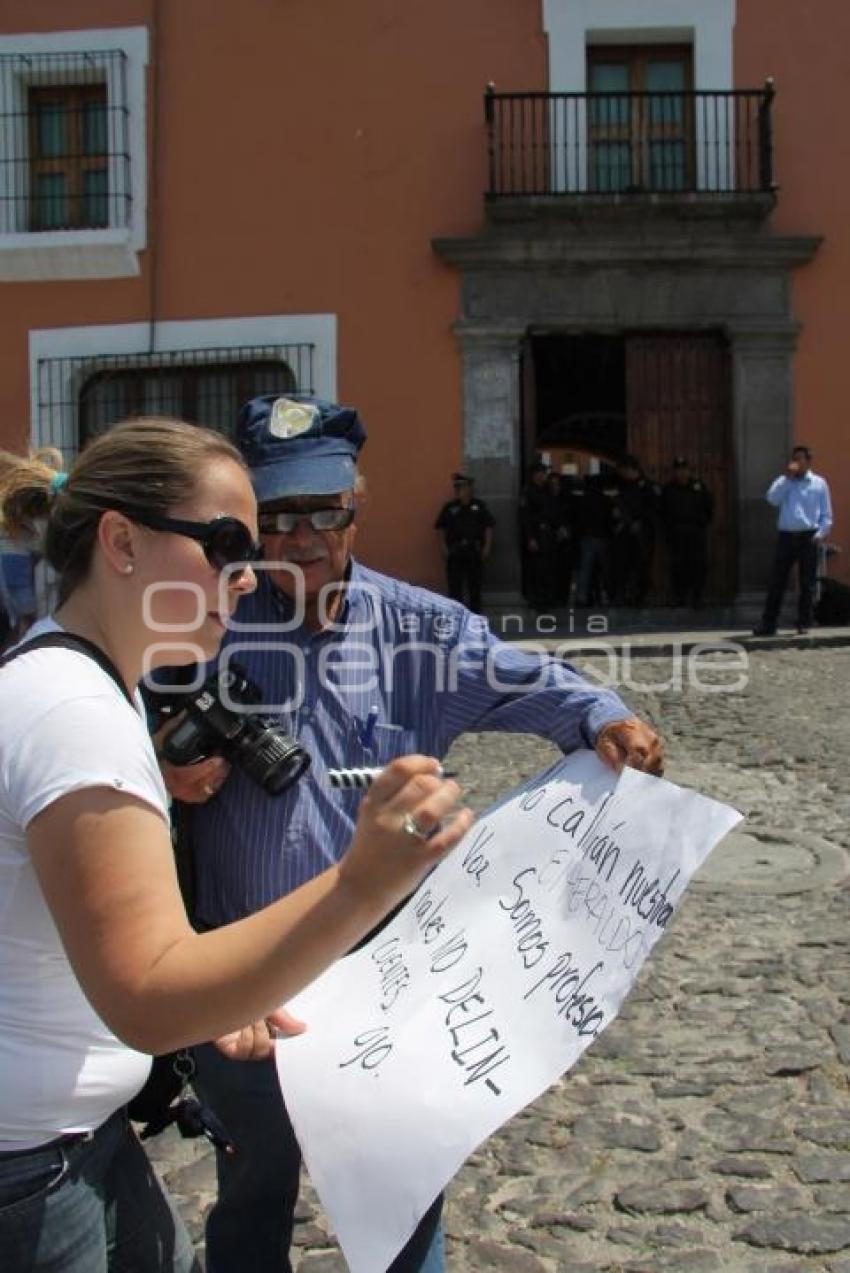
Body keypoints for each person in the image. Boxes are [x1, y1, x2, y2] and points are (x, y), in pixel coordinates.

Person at [160, 393, 665, 1273]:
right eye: (276, 517)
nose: (302, 536)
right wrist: (164, 770)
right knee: (249, 1198)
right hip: (244, 985)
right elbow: (111, 748)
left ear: (355, 508)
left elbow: (539, 684)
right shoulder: (199, 626)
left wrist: (605, 717)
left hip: (388, 990)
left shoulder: (423, 629)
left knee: (404, 1208)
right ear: (245, 527)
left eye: (324, 511)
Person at [0, 418, 473, 1273]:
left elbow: (105, 940)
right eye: (225, 545)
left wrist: (222, 987)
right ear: (122, 542)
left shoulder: (85, 686)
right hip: (33, 1171)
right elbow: (147, 996)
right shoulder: (76, 713)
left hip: (75, 1143)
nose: (249, 575)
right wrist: (361, 881)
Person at [753, 445, 833, 635]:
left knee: (807, 583)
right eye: (793, 459)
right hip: (787, 537)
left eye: (799, 459)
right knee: (777, 581)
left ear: (808, 461)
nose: (795, 463)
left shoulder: (819, 483)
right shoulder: (784, 481)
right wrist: (786, 481)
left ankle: (804, 622)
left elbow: (826, 515)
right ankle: (768, 623)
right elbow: (772, 499)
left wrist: (819, 535)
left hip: (808, 536)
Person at [434, 471, 494, 612]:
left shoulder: (479, 506)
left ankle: (475, 616)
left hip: (474, 550)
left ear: (469, 489)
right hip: (455, 551)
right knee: (455, 587)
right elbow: (440, 528)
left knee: (475, 586)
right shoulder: (450, 507)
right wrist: (443, 547)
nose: (458, 491)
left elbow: (488, 527)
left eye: (461, 487)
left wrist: (487, 546)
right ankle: (457, 616)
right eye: (456, 488)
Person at [661, 457, 714, 608]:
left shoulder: (699, 487)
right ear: (674, 472)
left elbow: (709, 506)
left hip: (696, 533)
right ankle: (679, 597)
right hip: (676, 533)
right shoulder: (668, 489)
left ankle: (697, 597)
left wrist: (702, 522)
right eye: (678, 470)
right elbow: (662, 511)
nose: (681, 473)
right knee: (677, 566)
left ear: (689, 471)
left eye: (684, 470)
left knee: (697, 565)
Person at [609, 454, 660, 608]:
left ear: (631, 469)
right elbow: (614, 506)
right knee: (621, 565)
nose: (622, 474)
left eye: (623, 470)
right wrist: (615, 515)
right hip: (624, 535)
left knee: (642, 567)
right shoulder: (621, 487)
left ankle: (640, 598)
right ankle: (621, 596)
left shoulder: (649, 487)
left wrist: (640, 522)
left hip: (642, 534)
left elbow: (655, 510)